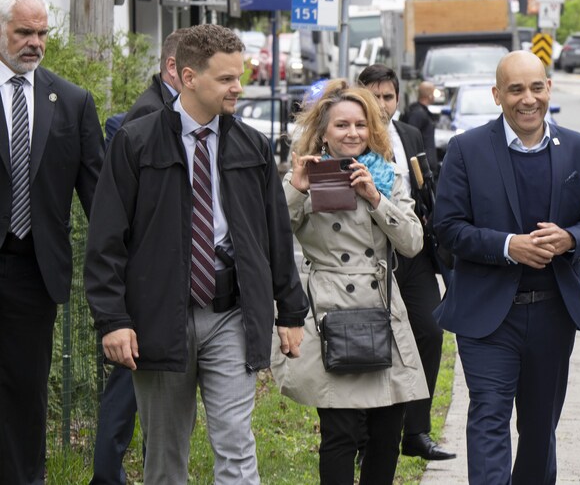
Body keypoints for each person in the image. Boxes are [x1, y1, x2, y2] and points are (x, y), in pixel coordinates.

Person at [84, 24, 308, 484]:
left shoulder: (252, 145)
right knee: (165, 456)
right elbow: (106, 240)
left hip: (230, 312)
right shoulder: (136, 142)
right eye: (226, 79)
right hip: (159, 316)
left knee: (236, 444)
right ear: (189, 77)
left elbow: (274, 233)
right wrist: (114, 320)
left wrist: (290, 310)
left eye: (238, 76)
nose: (238, 87)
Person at [433, 50, 580, 483]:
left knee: (538, 430)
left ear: (549, 88)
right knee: (489, 419)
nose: (527, 99)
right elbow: (448, 228)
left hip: (553, 313)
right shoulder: (466, 149)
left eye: (536, 87)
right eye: (515, 90)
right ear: (497, 95)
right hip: (488, 317)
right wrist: (509, 246)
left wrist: (570, 238)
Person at [270, 79, 428, 484]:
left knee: (387, 431)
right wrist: (294, 187)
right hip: (330, 312)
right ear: (323, 132)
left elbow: (412, 243)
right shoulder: (305, 175)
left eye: (360, 124)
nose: (352, 133)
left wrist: (376, 199)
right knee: (339, 433)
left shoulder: (387, 176)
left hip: (381, 312)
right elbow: (268, 233)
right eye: (341, 125)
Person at [0, 0, 103, 484]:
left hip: (32, 271)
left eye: (42, 32)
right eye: (24, 32)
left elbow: (99, 198)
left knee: (25, 389)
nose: (34, 42)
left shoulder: (73, 101)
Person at [90, 27, 187, 485]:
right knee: (128, 389)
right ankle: (109, 476)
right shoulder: (144, 119)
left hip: (162, 285)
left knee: (139, 391)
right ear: (175, 68)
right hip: (145, 287)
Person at [357, 64, 455, 461]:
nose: (382, 105)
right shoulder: (351, 132)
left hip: (412, 250)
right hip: (367, 255)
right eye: (374, 96)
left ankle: (416, 431)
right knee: (367, 342)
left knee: (430, 331)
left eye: (389, 97)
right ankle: (366, 437)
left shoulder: (410, 133)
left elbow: (425, 184)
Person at [400, 80, 437, 174]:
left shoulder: (419, 111)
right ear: (429, 95)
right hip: (422, 166)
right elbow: (410, 139)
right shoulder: (418, 114)